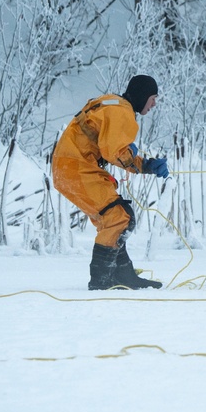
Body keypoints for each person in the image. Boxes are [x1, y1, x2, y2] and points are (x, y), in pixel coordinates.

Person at [52, 74, 169, 290]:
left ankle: (123, 275)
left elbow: (111, 148)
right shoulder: (122, 112)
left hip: (71, 166)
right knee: (118, 217)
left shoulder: (114, 103)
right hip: (76, 167)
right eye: (153, 97)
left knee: (115, 218)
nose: (154, 104)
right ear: (143, 95)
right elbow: (114, 151)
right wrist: (139, 161)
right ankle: (100, 281)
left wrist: (147, 165)